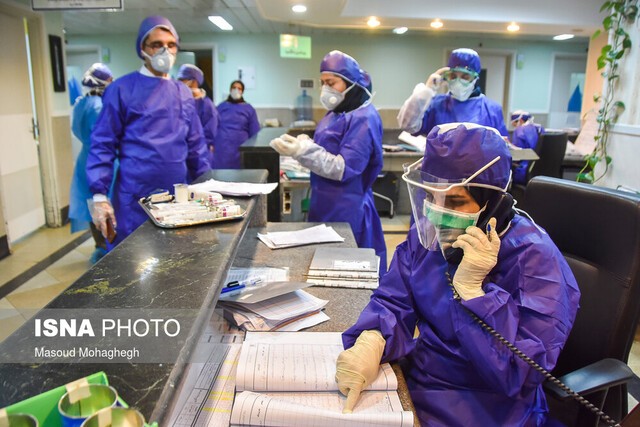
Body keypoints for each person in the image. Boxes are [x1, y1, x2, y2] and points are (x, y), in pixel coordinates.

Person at [335, 122, 580, 426]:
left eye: (454, 201)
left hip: (492, 408)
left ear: (493, 203)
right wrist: (372, 339)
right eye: (431, 197)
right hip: (419, 385)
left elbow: (519, 373)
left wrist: (476, 295)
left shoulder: (536, 260)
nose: (436, 213)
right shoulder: (429, 237)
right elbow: (394, 299)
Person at [87, 16, 210, 247]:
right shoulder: (121, 89)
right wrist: (99, 195)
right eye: (156, 44)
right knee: (134, 258)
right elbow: (103, 143)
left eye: (171, 45)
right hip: (135, 196)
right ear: (142, 49)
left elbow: (196, 146)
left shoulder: (182, 93)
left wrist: (206, 184)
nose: (165, 51)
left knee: (176, 256)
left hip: (177, 195)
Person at [270, 50, 387, 273]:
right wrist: (305, 143)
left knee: (345, 271)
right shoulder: (336, 112)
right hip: (324, 202)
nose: (325, 89)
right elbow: (326, 148)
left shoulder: (364, 117)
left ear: (350, 83)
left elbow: (344, 167)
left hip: (346, 207)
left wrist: (302, 151)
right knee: (322, 266)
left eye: (331, 83)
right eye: (322, 83)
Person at [397, 48, 509, 137]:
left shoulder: (492, 109)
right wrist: (427, 91)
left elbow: (502, 146)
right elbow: (408, 126)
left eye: (465, 77)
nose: (458, 82)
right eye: (453, 76)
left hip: (480, 161)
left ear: (475, 79)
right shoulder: (436, 104)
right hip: (439, 161)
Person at [69, 63, 114, 263]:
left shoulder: (81, 104)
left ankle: (100, 246)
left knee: (92, 203)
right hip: (101, 158)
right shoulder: (98, 106)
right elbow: (105, 137)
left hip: (85, 160)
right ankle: (107, 248)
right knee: (105, 202)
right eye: (110, 81)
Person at [177, 64, 220, 168]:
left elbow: (209, 134)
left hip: (200, 155)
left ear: (194, 81)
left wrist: (194, 147)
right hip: (181, 154)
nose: (179, 83)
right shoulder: (180, 102)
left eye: (182, 80)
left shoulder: (207, 105)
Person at [211, 80, 260, 169]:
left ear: (242, 91)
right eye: (234, 88)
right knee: (220, 173)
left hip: (240, 147)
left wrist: (252, 150)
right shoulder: (221, 107)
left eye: (239, 88)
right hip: (221, 147)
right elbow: (212, 126)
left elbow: (255, 132)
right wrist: (211, 144)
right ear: (230, 90)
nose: (236, 90)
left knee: (239, 173)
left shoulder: (248, 109)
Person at [510, 110, 545, 185]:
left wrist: (508, 144)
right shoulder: (540, 128)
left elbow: (517, 154)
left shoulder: (520, 131)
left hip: (524, 171)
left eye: (514, 124)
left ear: (520, 120)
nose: (515, 127)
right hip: (540, 171)